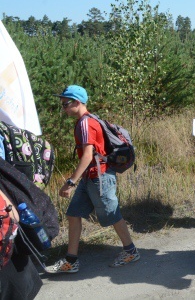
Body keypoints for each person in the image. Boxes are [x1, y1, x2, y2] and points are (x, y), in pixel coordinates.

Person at [47, 85, 139, 273]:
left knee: (112, 214)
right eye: (62, 104)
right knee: (74, 214)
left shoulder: (85, 123)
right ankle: (71, 261)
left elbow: (88, 156)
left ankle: (130, 251)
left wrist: (71, 182)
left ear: (78, 102)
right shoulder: (86, 121)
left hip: (100, 177)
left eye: (66, 103)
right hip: (91, 177)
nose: (63, 107)